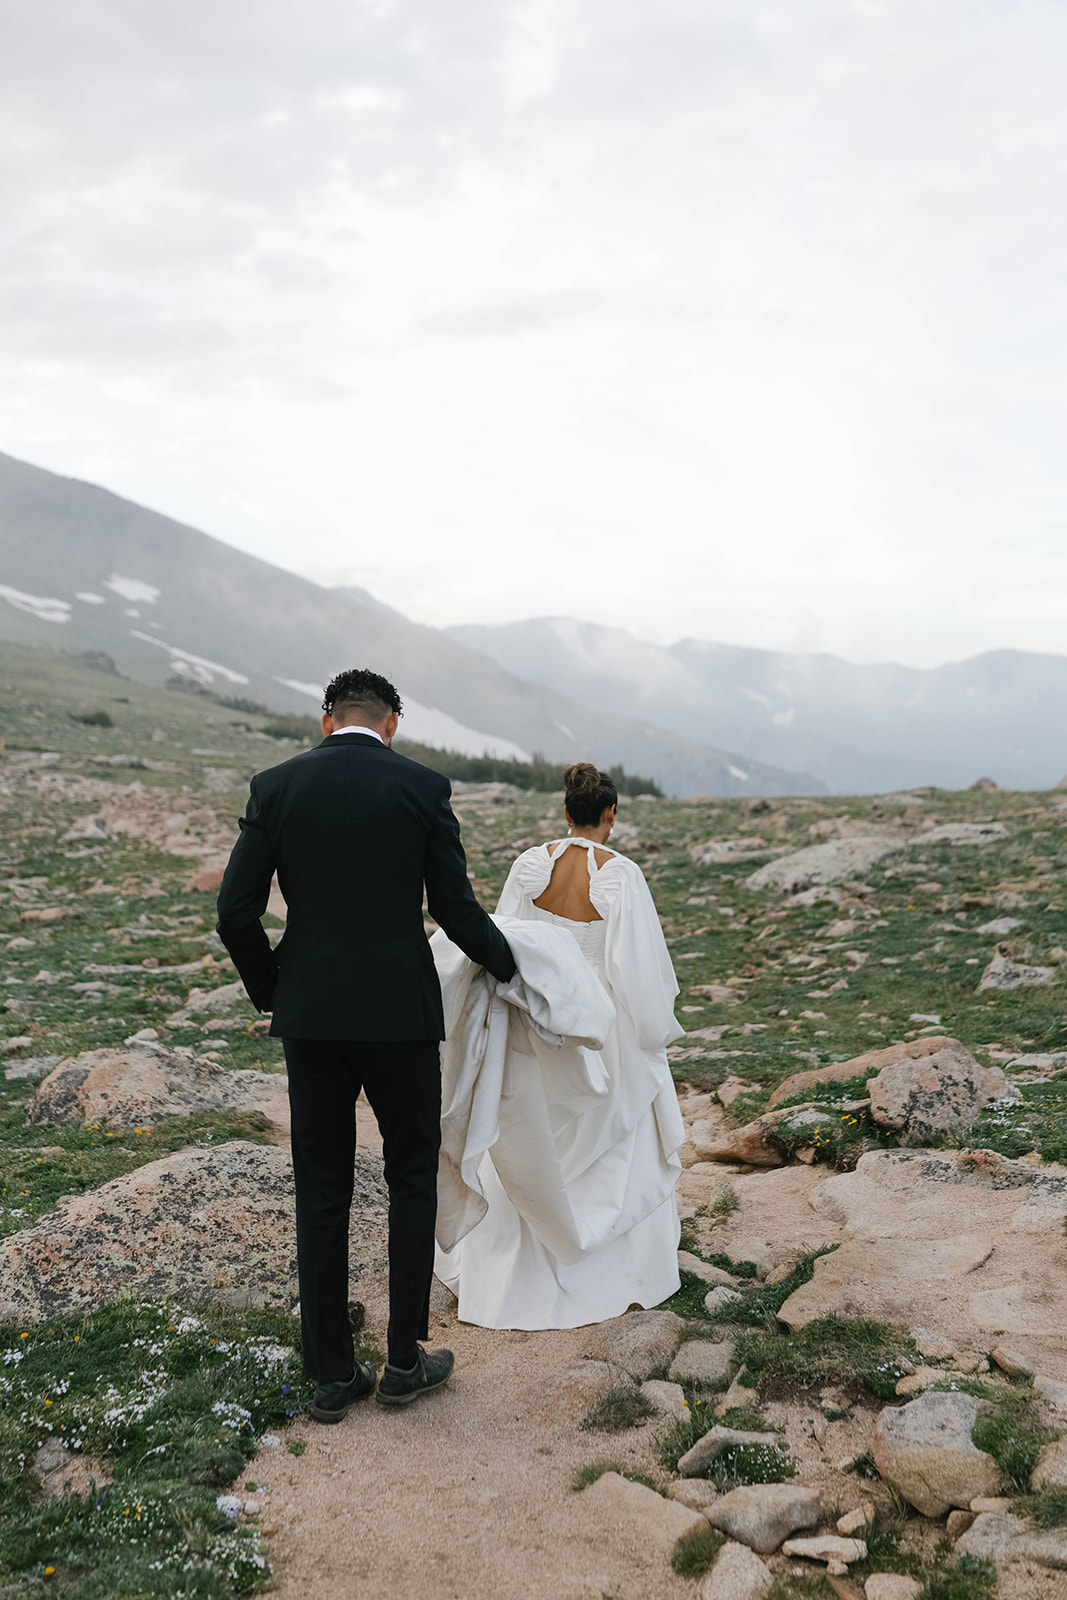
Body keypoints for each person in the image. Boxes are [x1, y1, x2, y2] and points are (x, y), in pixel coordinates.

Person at [216, 667, 515, 1423]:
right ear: (390, 725)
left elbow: (235, 913)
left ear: (326, 721)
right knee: (412, 1174)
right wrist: (511, 964)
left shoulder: (275, 786)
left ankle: (329, 1374)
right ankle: (405, 1359)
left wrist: (275, 988)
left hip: (311, 1017)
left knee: (321, 1185)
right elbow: (453, 906)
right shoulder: (422, 787)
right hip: (398, 1014)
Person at [433, 762, 685, 1329]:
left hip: (540, 1013)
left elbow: (505, 941)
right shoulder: (622, 875)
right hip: (602, 1016)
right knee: (617, 1135)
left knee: (528, 1132)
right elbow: (638, 968)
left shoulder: (528, 864)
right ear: (611, 815)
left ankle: (503, 1263)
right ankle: (614, 1262)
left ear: (566, 813)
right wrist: (651, 1032)